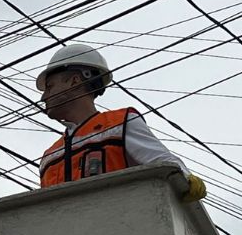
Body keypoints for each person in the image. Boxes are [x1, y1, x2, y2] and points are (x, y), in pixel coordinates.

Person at [36, 43, 206, 201]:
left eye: (50, 86)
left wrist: (185, 179)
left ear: (74, 81)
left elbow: (163, 162)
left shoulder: (119, 124)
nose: (44, 97)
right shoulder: (49, 156)